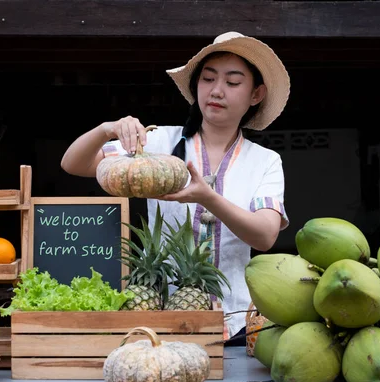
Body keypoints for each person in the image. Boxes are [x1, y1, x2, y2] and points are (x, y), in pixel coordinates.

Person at [60, 32, 290, 345]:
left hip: (237, 322)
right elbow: (74, 164)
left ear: (256, 94)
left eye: (233, 82)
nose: (217, 90)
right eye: (208, 79)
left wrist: (207, 197)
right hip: (162, 317)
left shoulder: (264, 161)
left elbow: (265, 235)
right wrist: (106, 129)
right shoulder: (159, 143)